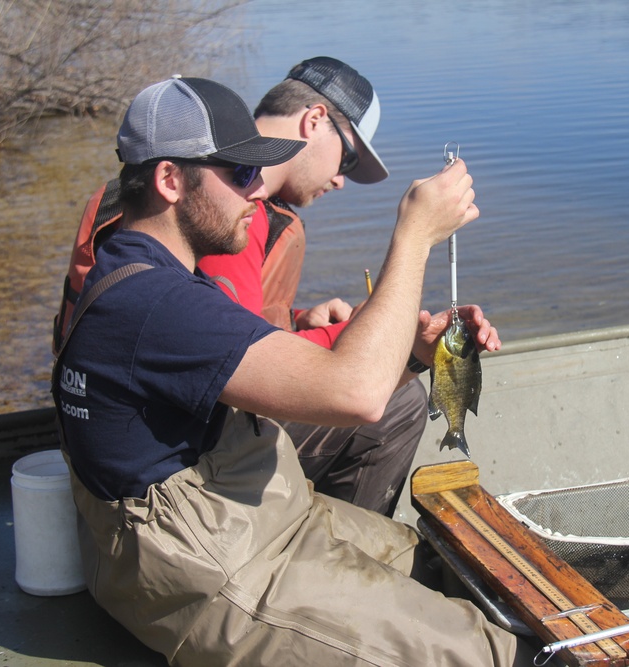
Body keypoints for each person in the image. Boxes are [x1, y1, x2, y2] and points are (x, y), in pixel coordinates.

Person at [52, 76, 531, 666]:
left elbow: (301, 373)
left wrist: (411, 355)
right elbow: (355, 394)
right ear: (170, 180)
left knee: (446, 570)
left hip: (255, 518)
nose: (258, 193)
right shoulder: (154, 304)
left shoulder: (165, 277)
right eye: (239, 174)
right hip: (209, 568)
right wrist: (415, 235)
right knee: (481, 653)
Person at [53, 58, 428, 518]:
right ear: (314, 120)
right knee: (398, 400)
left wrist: (294, 322)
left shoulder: (144, 199)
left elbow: (206, 333)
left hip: (143, 422)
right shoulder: (209, 215)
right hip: (181, 459)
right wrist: (380, 326)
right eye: (347, 157)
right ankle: (312, 550)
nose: (341, 179)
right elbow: (201, 341)